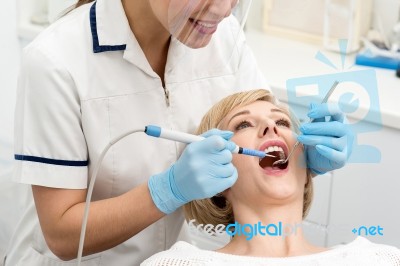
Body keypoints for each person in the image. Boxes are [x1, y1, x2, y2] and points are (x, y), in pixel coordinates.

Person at [5, 0, 354, 265]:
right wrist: (168, 190)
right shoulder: (56, 61)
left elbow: (264, 128)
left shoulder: (224, 34)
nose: (222, 9)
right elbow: (64, 235)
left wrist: (301, 156)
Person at [141, 89, 400, 266]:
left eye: (283, 123)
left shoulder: (378, 259)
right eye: (243, 125)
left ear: (309, 171)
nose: (271, 127)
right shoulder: (174, 264)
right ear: (214, 176)